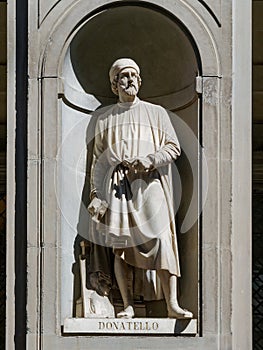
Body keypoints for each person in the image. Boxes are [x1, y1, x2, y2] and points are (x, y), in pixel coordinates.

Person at [88, 58, 193, 319]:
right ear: (115, 85)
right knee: (121, 246)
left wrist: (150, 159)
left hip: (150, 183)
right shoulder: (105, 118)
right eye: (123, 77)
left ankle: (172, 304)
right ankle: (127, 305)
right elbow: (98, 161)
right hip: (119, 186)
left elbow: (173, 147)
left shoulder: (156, 112)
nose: (130, 80)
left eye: (134, 75)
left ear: (140, 80)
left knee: (161, 238)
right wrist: (96, 196)